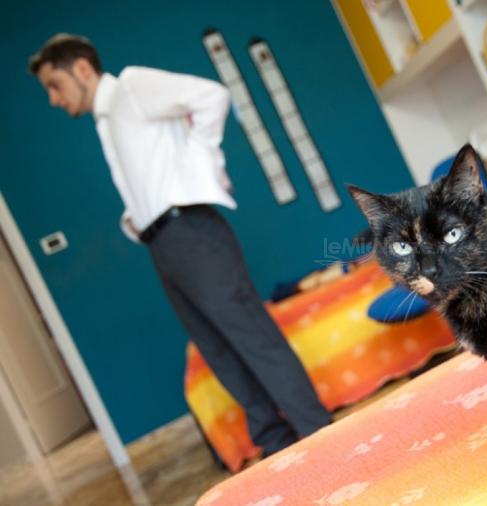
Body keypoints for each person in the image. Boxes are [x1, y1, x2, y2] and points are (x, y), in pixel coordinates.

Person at [29, 33, 331, 458]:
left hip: (191, 231)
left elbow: (212, 95)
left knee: (252, 337)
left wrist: (198, 170)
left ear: (81, 68)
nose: (53, 99)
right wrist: (137, 218)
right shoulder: (108, 119)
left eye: (53, 85)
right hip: (164, 244)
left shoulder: (131, 86)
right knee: (217, 350)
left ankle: (319, 435)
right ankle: (275, 444)